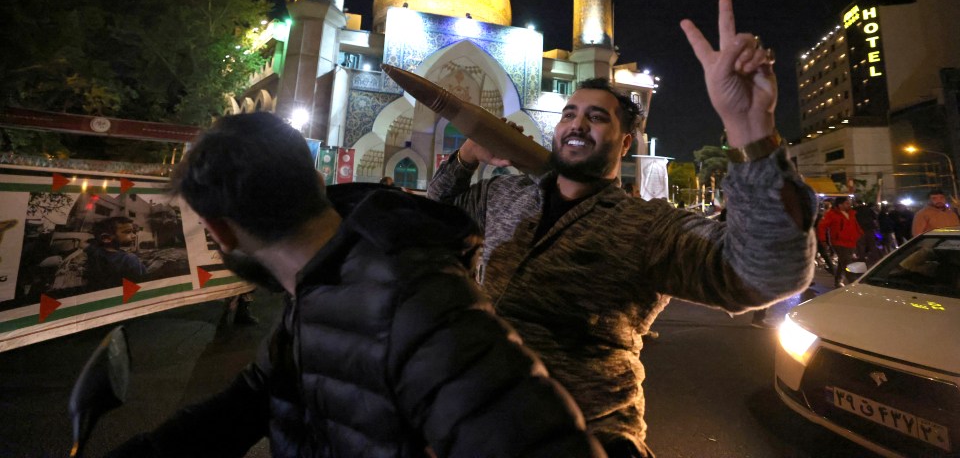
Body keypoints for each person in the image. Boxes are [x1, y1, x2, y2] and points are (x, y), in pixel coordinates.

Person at [428, 0, 816, 457]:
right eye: (569, 113)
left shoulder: (647, 227)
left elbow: (761, 274)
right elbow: (436, 214)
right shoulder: (507, 196)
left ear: (626, 142)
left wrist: (749, 128)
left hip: (585, 435)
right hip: (475, 420)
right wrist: (467, 155)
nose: (577, 123)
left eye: (597, 117)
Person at [107, 112, 604, 458]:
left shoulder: (418, 302)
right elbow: (242, 408)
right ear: (317, 183)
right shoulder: (315, 292)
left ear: (218, 230)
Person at [85, 216, 147, 290]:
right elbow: (143, 284)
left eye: (133, 232)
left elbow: (85, 245)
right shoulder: (129, 259)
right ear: (106, 238)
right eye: (128, 232)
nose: (134, 236)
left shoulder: (95, 252)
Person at [817, 196, 863, 288]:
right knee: (847, 263)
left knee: (843, 263)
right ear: (840, 204)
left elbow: (855, 226)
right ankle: (854, 283)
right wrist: (823, 240)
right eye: (847, 203)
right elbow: (821, 227)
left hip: (851, 242)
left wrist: (859, 236)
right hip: (839, 242)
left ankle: (838, 281)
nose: (849, 204)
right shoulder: (832, 214)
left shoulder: (851, 213)